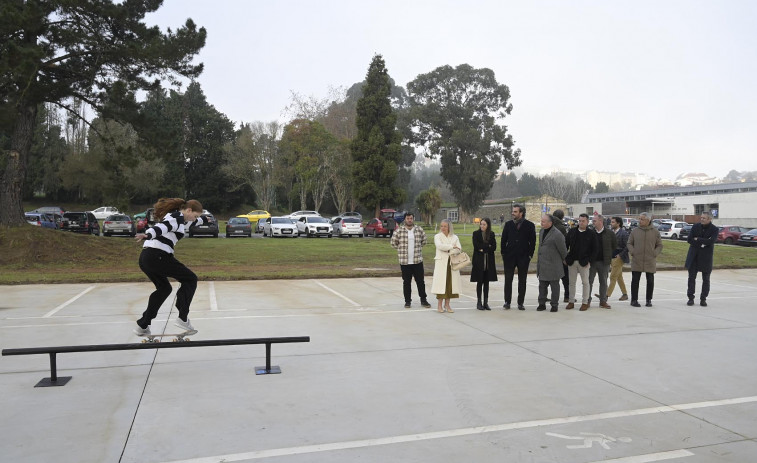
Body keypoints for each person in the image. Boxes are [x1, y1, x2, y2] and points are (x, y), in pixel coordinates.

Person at [134, 197, 204, 336]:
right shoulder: (176, 217)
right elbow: (163, 227)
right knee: (190, 279)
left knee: (164, 288)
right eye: (194, 216)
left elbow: (199, 220)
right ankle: (182, 318)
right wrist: (148, 234)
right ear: (188, 210)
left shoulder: (183, 219)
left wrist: (203, 218)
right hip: (158, 255)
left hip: (146, 258)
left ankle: (143, 325)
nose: (194, 219)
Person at [391, 212, 431, 309]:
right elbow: (393, 243)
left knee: (420, 281)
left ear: (413, 219)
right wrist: (401, 250)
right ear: (405, 219)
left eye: (411, 218)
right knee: (406, 282)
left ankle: (424, 300)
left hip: (417, 261)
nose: (409, 220)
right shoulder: (399, 231)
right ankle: (407, 301)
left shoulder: (419, 230)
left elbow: (424, 241)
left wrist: (417, 249)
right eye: (408, 218)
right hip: (405, 262)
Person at [500, 204, 536, 310]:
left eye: (515, 212)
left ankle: (520, 302)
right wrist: (503, 253)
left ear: (521, 213)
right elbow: (503, 240)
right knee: (508, 280)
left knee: (522, 280)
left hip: (523, 257)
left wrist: (530, 255)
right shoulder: (508, 224)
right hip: (509, 257)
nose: (513, 213)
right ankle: (507, 301)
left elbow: (533, 242)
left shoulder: (530, 225)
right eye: (513, 211)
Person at [626, 212, 663, 307]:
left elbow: (659, 245)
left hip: (650, 260)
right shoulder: (635, 231)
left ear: (648, 220)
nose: (640, 221)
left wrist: (654, 253)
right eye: (639, 219)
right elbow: (629, 243)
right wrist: (633, 252)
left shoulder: (655, 232)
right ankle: (634, 300)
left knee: (650, 281)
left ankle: (648, 300)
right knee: (635, 280)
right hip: (637, 259)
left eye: (642, 219)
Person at [685, 212, 719, 307]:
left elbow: (711, 241)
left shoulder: (714, 229)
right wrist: (703, 243)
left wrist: (698, 239)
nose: (702, 219)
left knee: (706, 279)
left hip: (706, 258)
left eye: (704, 218)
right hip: (694, 256)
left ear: (709, 219)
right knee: (691, 278)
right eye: (701, 217)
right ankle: (690, 298)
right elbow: (689, 239)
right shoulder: (695, 227)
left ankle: (703, 299)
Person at [565, 213, 597, 311]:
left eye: (583, 221)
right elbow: (565, 245)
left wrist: (590, 261)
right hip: (572, 261)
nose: (581, 223)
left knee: (585, 283)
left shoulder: (591, 233)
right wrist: (565, 258)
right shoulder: (572, 231)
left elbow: (595, 249)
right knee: (571, 283)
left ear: (587, 222)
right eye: (580, 221)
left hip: (584, 262)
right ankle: (571, 301)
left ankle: (585, 302)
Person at [537, 214, 568, 312]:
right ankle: (541, 303)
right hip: (543, 264)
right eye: (541, 221)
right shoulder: (541, 231)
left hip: (553, 264)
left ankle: (554, 305)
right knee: (542, 286)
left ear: (550, 223)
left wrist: (565, 259)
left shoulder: (557, 234)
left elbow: (563, 249)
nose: (541, 223)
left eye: (544, 221)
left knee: (554, 286)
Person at [431, 219, 463, 313]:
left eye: (445, 226)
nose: (443, 228)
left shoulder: (455, 237)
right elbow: (440, 246)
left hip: (451, 263)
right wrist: (452, 247)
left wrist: (449, 250)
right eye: (441, 226)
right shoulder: (437, 236)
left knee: (450, 284)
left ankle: (447, 304)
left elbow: (459, 249)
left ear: (449, 227)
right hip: (441, 264)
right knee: (441, 285)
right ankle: (439, 305)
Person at [589, 214, 617, 309]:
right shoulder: (590, 232)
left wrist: (608, 256)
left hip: (604, 262)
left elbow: (614, 246)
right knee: (589, 281)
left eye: (594, 221)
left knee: (603, 282)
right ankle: (587, 301)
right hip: (591, 262)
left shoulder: (609, 233)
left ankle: (603, 301)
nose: (593, 222)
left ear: (600, 221)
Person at [471, 217, 498, 310]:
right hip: (479, 262)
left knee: (486, 283)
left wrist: (484, 248)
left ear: (488, 225)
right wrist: (487, 246)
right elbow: (476, 246)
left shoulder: (491, 234)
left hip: (488, 262)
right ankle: (479, 302)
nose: (482, 226)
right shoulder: (476, 234)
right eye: (481, 224)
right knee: (479, 282)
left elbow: (494, 247)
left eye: (484, 224)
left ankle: (486, 302)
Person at [606, 217, 629, 301]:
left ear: (618, 223)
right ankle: (625, 294)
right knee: (619, 277)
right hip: (611, 257)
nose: (611, 223)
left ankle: (606, 295)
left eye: (613, 222)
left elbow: (627, 246)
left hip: (619, 258)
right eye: (611, 222)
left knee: (613, 276)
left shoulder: (624, 233)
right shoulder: (611, 232)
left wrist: (620, 255)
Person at [552, 209, 570, 302]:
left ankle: (548, 296)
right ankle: (567, 296)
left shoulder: (550, 224)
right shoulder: (561, 227)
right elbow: (565, 242)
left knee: (550, 278)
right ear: (562, 217)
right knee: (565, 278)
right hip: (560, 255)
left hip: (551, 255)